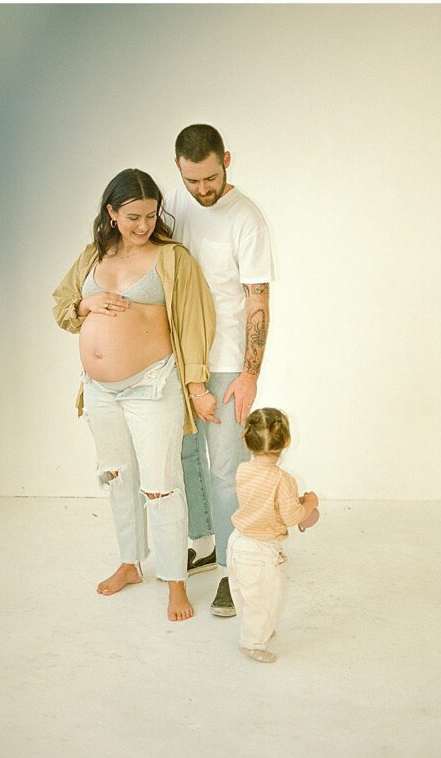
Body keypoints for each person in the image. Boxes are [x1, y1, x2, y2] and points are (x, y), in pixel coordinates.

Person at [52, 168, 217, 621]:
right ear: (111, 213)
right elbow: (62, 307)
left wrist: (197, 387)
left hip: (152, 384)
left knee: (161, 485)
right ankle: (130, 561)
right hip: (100, 391)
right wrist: (85, 304)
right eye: (132, 217)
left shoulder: (173, 258)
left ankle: (175, 582)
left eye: (150, 215)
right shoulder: (92, 256)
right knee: (118, 476)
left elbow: (195, 322)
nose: (143, 225)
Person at [163, 124, 274, 617]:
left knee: (225, 468)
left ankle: (233, 569)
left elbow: (257, 300)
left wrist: (250, 373)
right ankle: (204, 543)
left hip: (228, 360)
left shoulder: (246, 218)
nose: (202, 190)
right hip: (179, 357)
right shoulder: (172, 203)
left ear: (225, 159)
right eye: (193, 181)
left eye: (210, 178)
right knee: (185, 456)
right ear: (179, 170)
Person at [227, 408, 318, 663]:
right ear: (286, 441)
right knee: (265, 598)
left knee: (247, 594)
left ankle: (257, 629)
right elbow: (292, 517)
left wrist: (292, 502)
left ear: (246, 439)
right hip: (260, 550)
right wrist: (309, 503)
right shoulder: (283, 480)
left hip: (237, 541)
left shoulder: (243, 470)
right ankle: (253, 643)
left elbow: (261, 501)